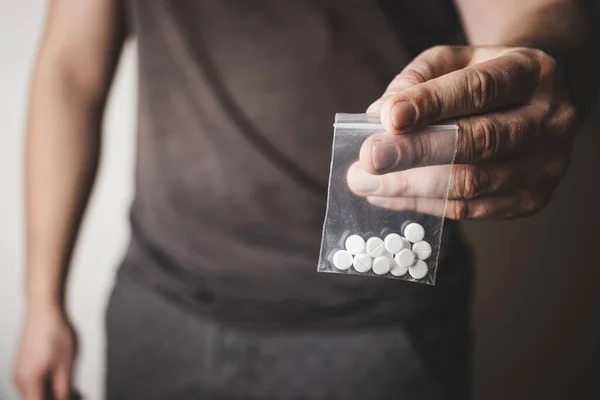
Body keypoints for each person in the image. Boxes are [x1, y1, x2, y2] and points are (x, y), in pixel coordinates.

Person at [12, 1, 598, 399]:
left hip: (376, 334)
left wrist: (543, 66)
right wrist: (42, 300)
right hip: (160, 306)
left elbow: (538, 16)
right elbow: (70, 67)